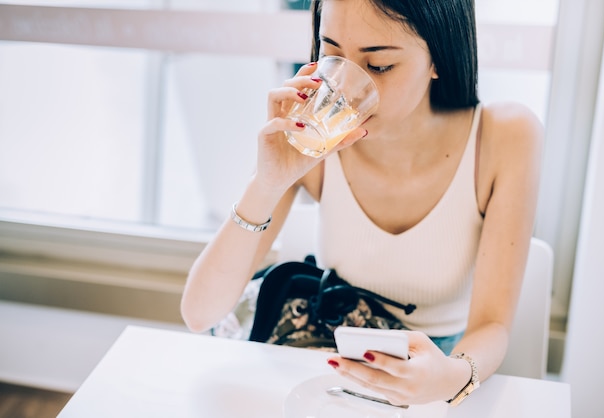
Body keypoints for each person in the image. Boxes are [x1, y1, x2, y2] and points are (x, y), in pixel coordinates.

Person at [181, 0, 543, 407]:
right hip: (324, 362)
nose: (342, 87)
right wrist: (268, 182)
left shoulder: (504, 138)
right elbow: (200, 313)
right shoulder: (317, 137)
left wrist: (452, 375)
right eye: (331, 55)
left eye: (379, 66)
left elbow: (492, 325)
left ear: (438, 58)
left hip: (431, 372)